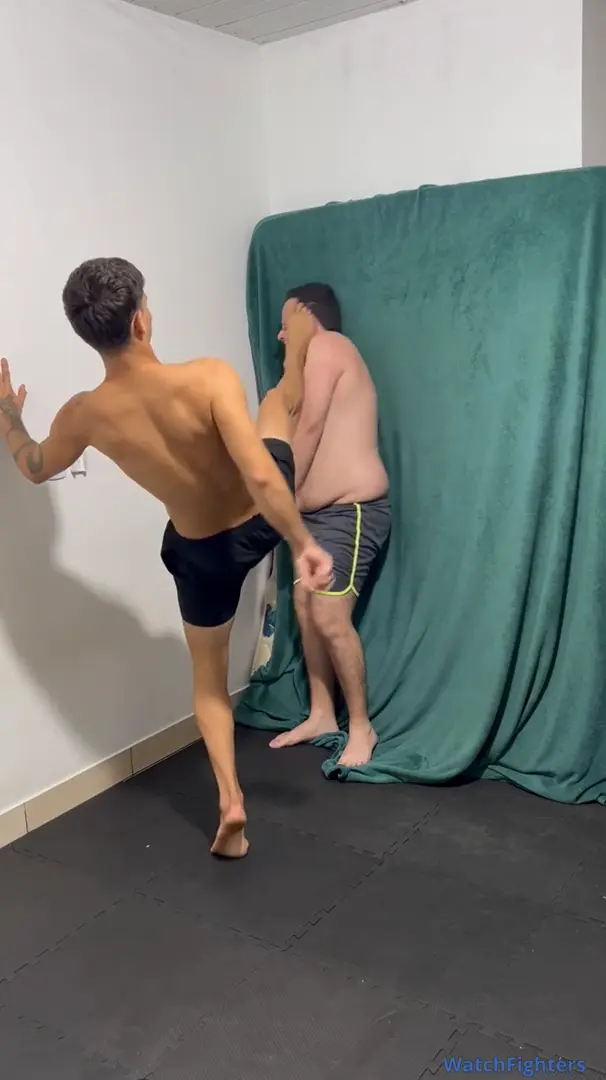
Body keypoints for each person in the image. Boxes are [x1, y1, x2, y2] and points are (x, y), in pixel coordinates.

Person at [0, 257, 333, 859]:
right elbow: (261, 475)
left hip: (200, 553)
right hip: (257, 524)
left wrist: (9, 414)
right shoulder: (207, 378)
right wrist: (303, 543)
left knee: (208, 682)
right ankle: (299, 349)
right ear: (140, 323)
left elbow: (34, 465)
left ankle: (230, 801)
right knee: (277, 405)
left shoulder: (84, 414)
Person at [270, 283, 391, 768]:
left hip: (351, 511)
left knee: (329, 615)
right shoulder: (303, 367)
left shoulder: (329, 345)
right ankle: (322, 714)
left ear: (307, 313)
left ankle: (362, 726)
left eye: (286, 323)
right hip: (315, 517)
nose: (281, 334)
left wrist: (281, 491)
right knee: (304, 606)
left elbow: (312, 426)